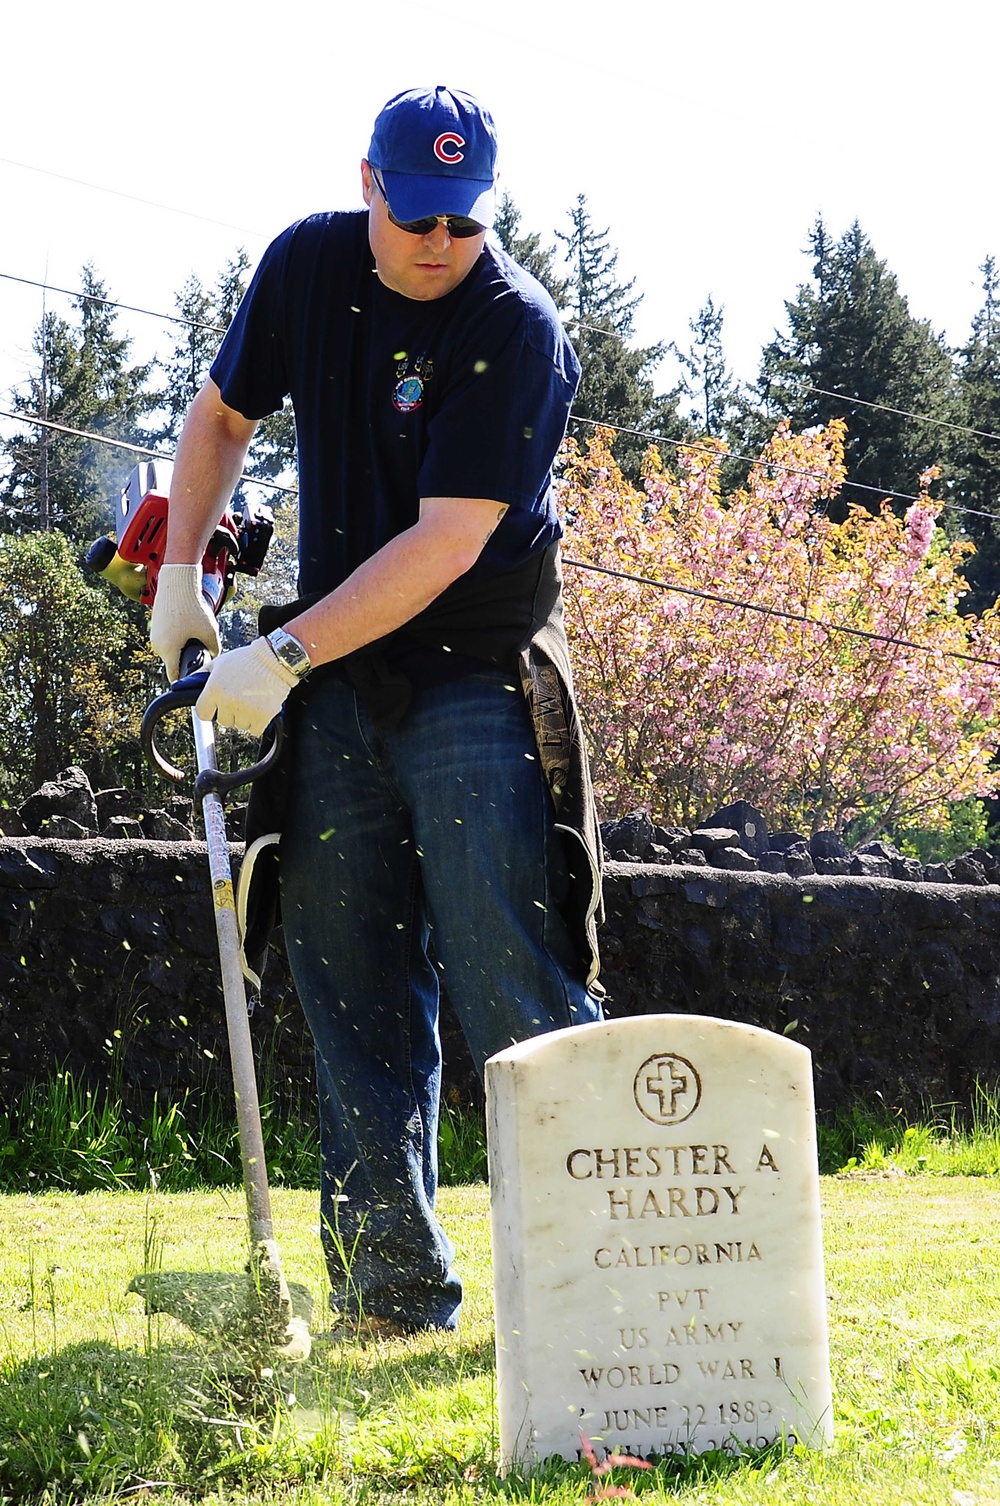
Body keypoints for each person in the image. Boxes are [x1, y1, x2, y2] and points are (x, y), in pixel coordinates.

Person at [149, 85, 604, 1336]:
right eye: (416, 217)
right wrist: (184, 576)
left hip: (473, 675)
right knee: (349, 983)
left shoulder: (516, 331)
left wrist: (278, 655)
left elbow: (446, 547)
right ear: (369, 186)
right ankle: (392, 1296)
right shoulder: (305, 266)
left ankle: (594, 1287)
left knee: (515, 977)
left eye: (463, 223)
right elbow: (224, 415)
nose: (437, 245)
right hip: (340, 683)